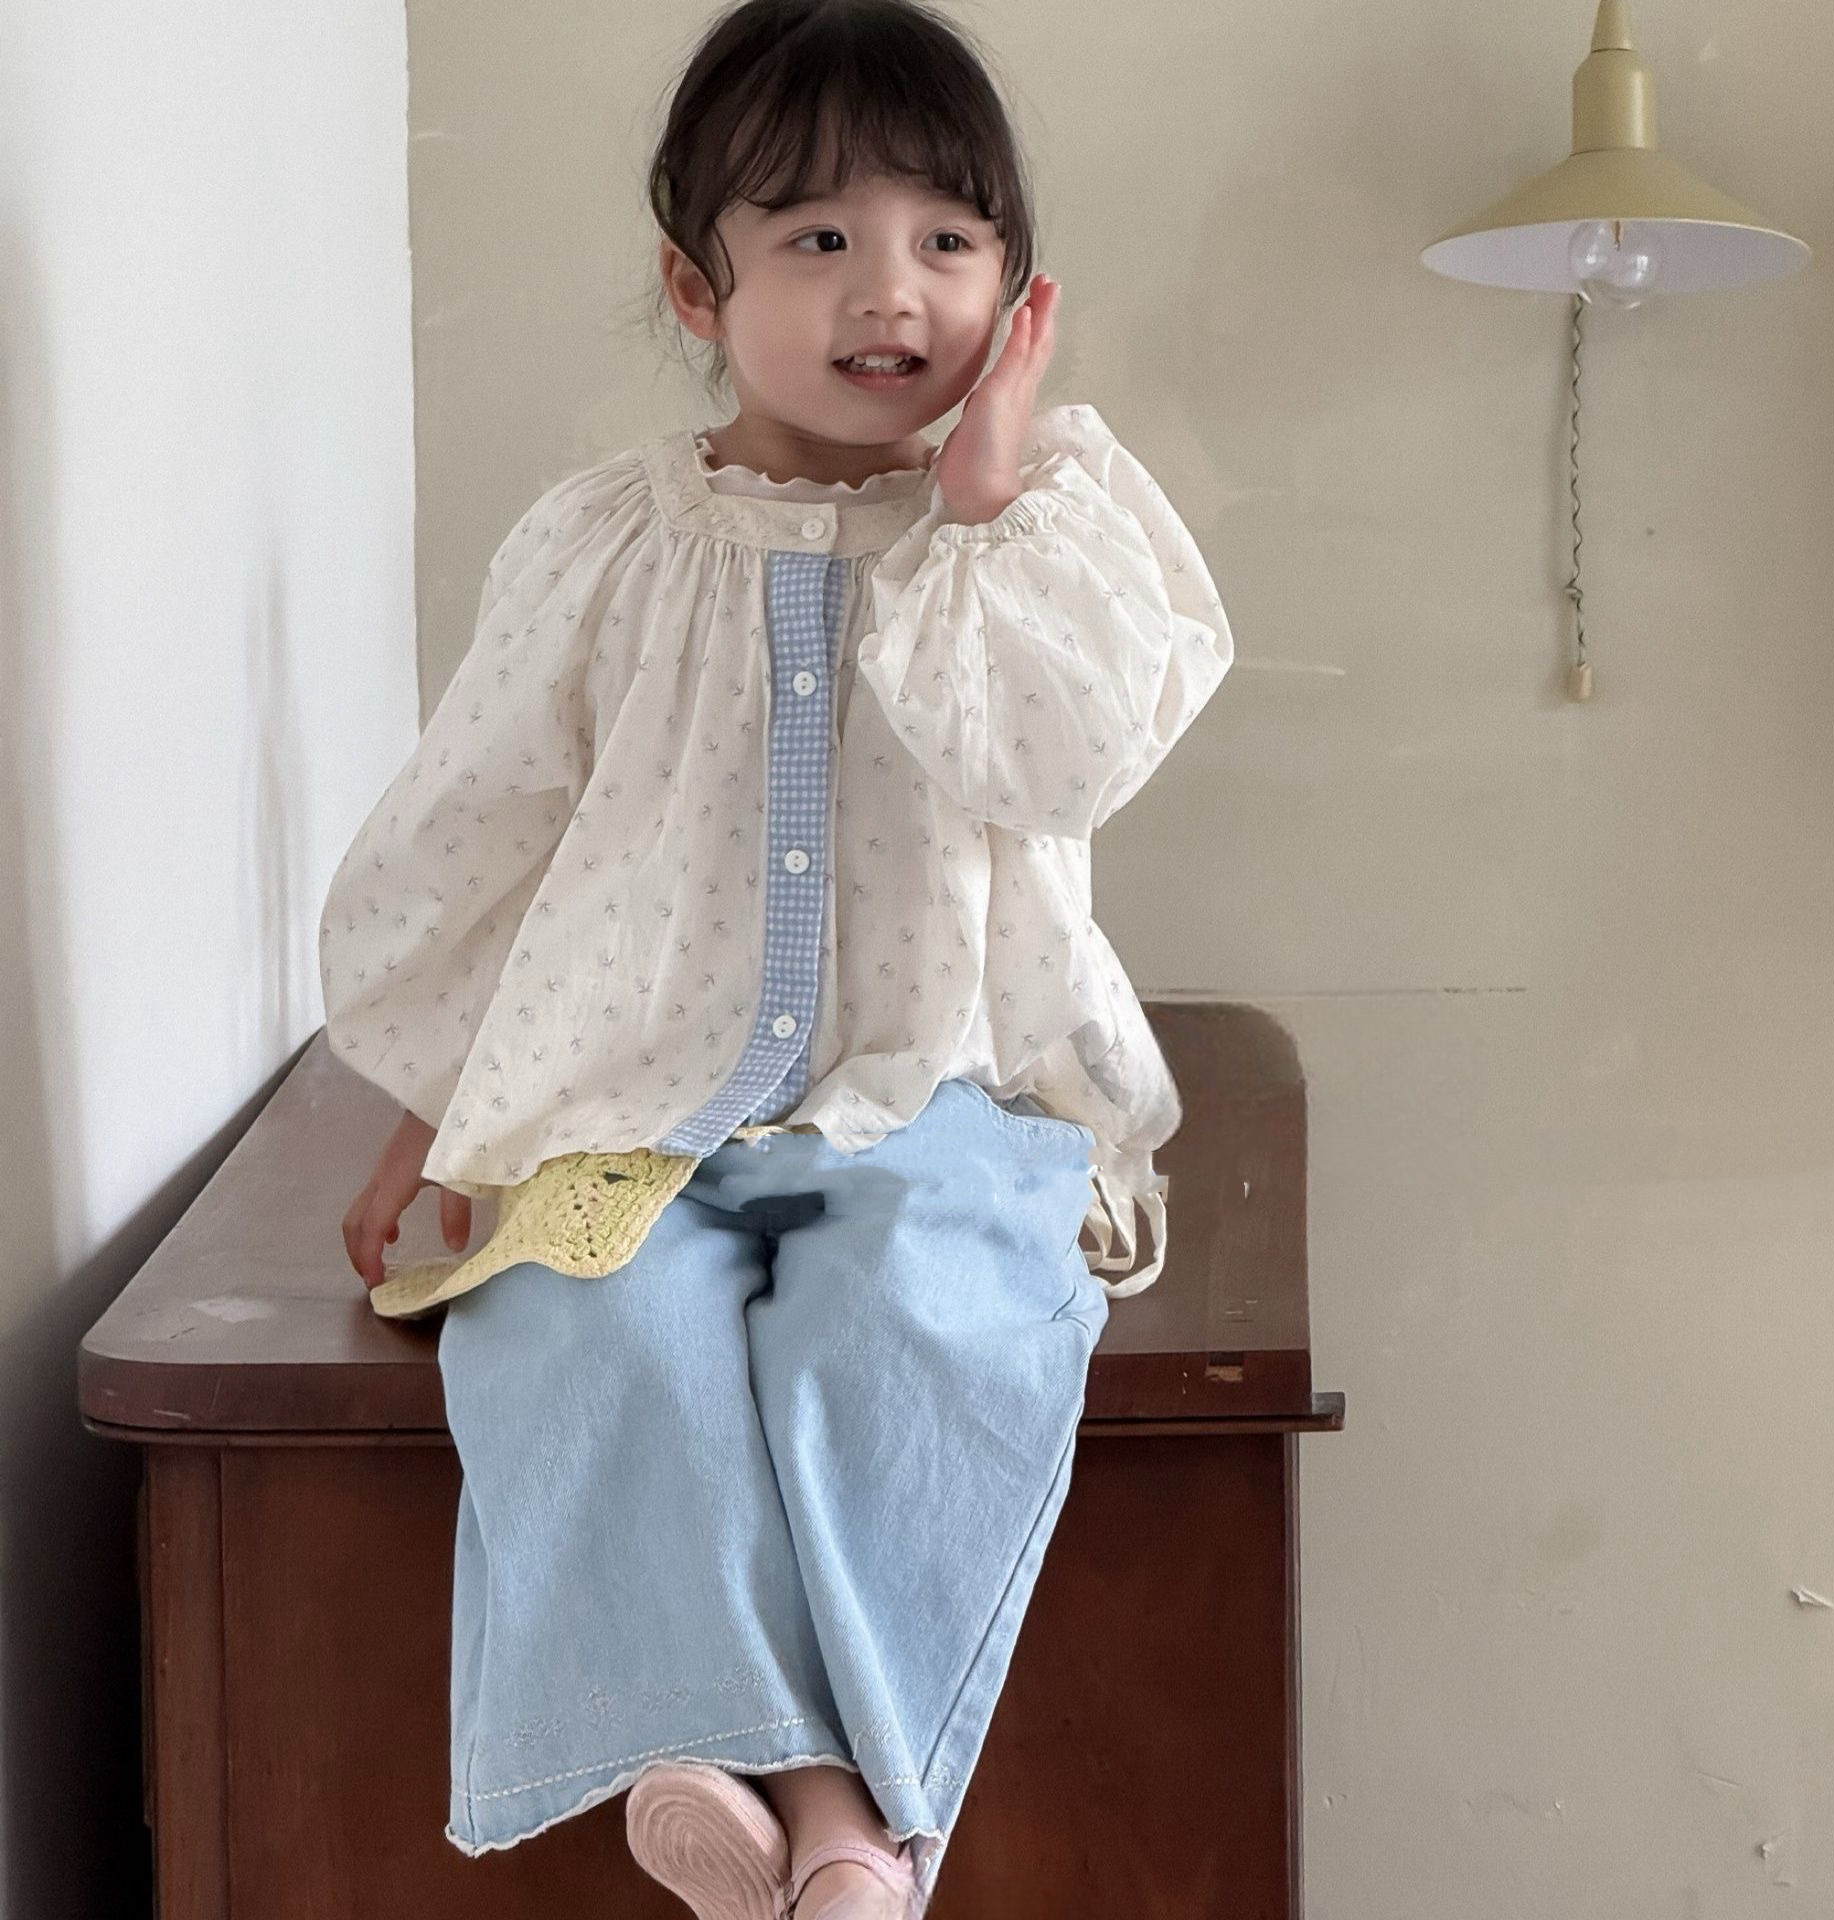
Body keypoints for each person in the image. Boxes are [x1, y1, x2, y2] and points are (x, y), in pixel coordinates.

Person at [317, 1, 1234, 1912]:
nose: (891, 291)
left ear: (1015, 288)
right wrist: (436, 1106)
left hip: (947, 1091)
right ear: (695, 283)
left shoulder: (1050, 537)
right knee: (584, 1319)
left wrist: (977, 517)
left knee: (909, 1320)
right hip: (634, 1094)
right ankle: (826, 1813)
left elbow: (1063, 764)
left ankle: (800, 1802)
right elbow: (490, 838)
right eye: (819, 236)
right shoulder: (603, 544)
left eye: (949, 240)